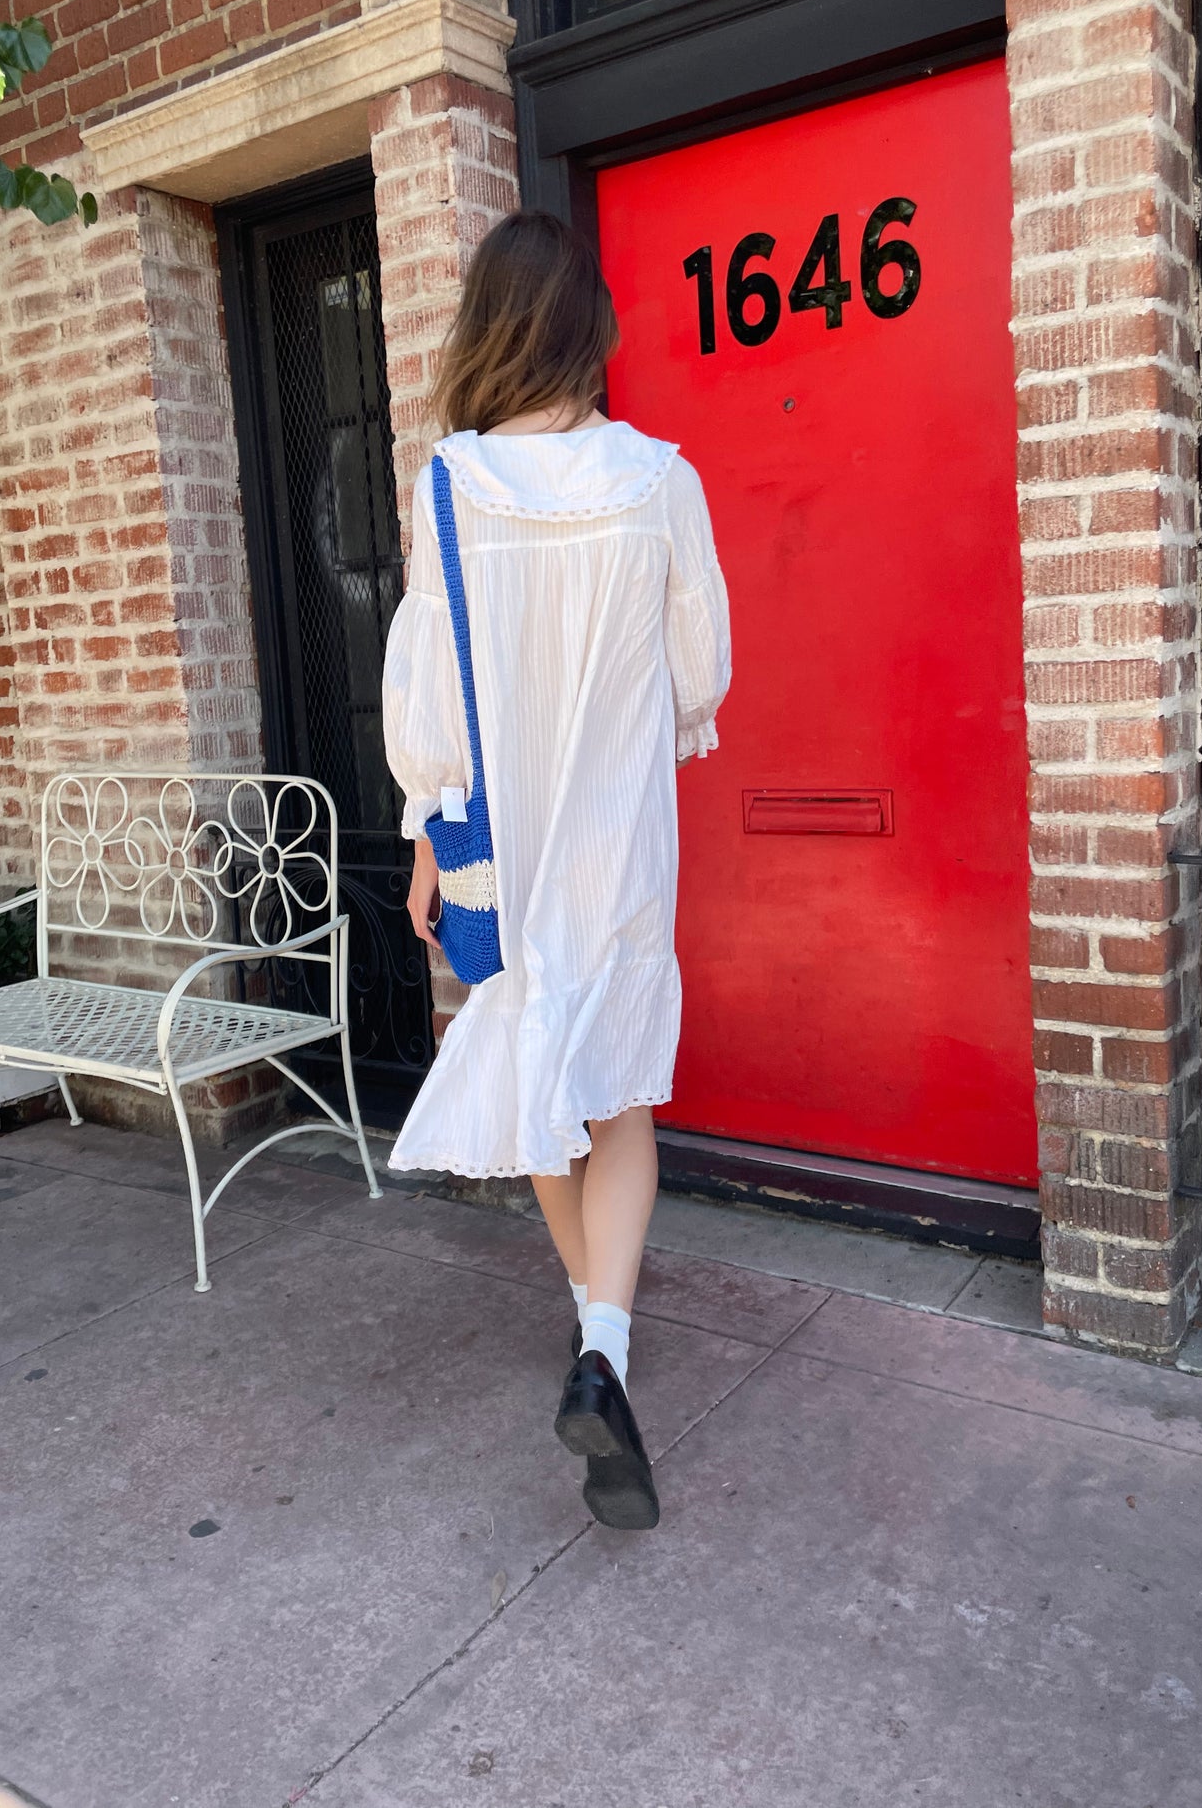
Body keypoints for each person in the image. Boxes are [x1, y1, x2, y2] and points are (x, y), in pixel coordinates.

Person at [380, 210, 731, 1530]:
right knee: (623, 1096)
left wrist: (428, 827)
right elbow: (698, 673)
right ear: (592, 331)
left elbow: (425, 687)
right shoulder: (660, 478)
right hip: (618, 843)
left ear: (486, 331)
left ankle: (596, 1342)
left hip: (502, 844)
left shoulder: (450, 484)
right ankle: (605, 1352)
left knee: (537, 1079)